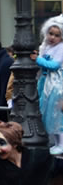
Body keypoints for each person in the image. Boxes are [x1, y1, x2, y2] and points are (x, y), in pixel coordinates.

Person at [36, 15, 63, 154]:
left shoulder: (61, 48)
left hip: (58, 86)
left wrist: (37, 60)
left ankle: (61, 143)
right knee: (49, 114)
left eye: (57, 35)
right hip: (48, 84)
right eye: (51, 34)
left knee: (56, 115)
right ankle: (55, 142)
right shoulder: (45, 47)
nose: (53, 37)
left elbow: (54, 65)